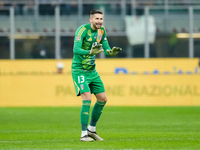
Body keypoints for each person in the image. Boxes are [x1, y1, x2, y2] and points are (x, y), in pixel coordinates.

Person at [71, 9, 122, 142]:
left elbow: (106, 48)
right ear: (91, 19)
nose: (99, 21)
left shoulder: (102, 31)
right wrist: (90, 51)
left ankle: (91, 129)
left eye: (101, 19)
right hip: (79, 70)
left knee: (103, 99)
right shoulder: (82, 30)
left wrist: (112, 52)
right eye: (97, 19)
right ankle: (83, 135)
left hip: (92, 71)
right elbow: (75, 50)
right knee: (87, 98)